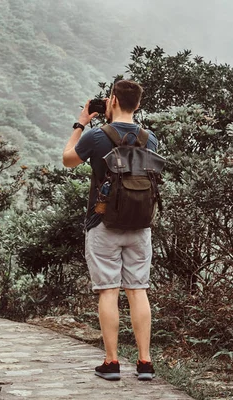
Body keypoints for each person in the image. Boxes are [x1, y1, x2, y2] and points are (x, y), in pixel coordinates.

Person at [62, 80, 158, 381]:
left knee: (108, 291)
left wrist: (81, 122)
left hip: (103, 223)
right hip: (140, 224)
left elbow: (68, 161)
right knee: (137, 289)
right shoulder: (149, 138)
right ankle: (144, 363)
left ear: (112, 100)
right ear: (138, 104)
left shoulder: (96, 136)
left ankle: (112, 362)